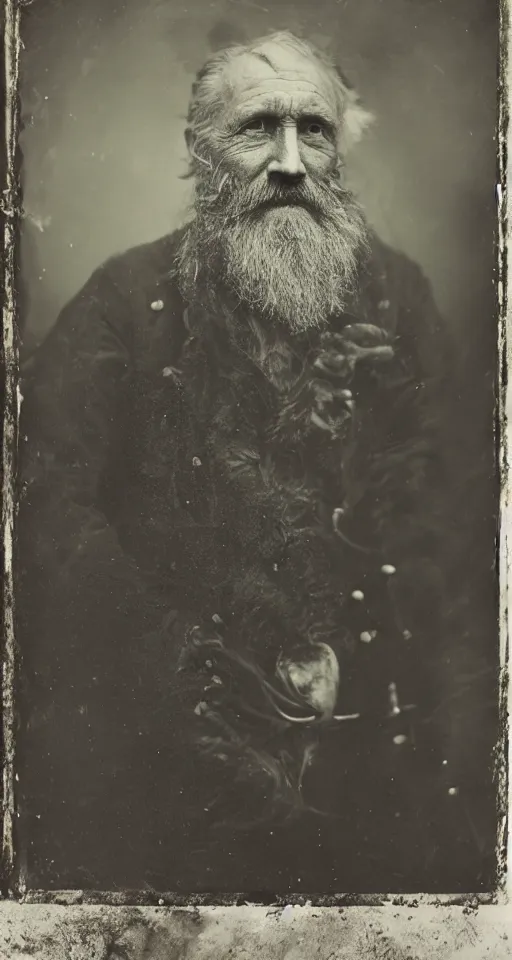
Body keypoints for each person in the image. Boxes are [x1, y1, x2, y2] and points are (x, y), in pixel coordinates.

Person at [16, 31, 488, 894]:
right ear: (201, 154)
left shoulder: (398, 294)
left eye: (314, 130)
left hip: (373, 755)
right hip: (173, 758)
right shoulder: (124, 304)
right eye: (256, 130)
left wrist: (365, 658)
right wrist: (194, 663)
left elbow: (461, 520)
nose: (288, 163)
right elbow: (45, 517)